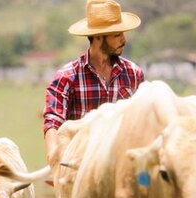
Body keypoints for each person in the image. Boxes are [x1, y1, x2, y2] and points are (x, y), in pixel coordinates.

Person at [42, 0, 144, 164]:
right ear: (97, 37)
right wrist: (53, 154)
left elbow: (142, 121)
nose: (124, 40)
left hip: (121, 165)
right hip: (78, 165)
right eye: (117, 35)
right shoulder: (66, 77)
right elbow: (53, 119)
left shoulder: (134, 74)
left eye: (123, 34)